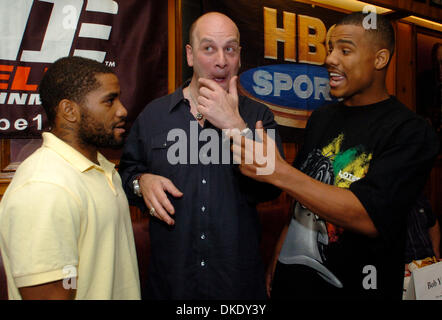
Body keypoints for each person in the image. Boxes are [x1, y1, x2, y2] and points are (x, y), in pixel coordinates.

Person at [232, 12, 439, 300]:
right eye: (330, 49)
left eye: (345, 50)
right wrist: (280, 257)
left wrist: (277, 171)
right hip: (294, 285)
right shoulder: (322, 118)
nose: (330, 59)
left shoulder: (410, 132)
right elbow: (302, 197)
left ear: (379, 59)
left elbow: (368, 215)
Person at [119, 12, 283, 299]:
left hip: (236, 287)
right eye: (209, 48)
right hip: (173, 284)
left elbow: (273, 184)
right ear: (190, 55)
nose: (221, 60)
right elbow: (126, 174)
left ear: (239, 56)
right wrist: (140, 181)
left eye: (230, 49)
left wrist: (236, 125)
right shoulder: (154, 115)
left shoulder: (259, 117)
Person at [0, 56, 141, 300]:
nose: (122, 110)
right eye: (109, 101)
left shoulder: (102, 169)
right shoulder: (45, 186)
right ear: (69, 111)